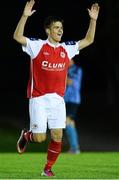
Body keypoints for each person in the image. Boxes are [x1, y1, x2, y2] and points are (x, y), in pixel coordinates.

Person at [13, 0, 100, 177]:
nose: (60, 30)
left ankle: (47, 169)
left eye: (61, 27)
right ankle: (27, 135)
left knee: (58, 136)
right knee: (39, 138)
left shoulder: (67, 48)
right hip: (38, 97)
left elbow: (89, 39)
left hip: (57, 100)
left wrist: (93, 20)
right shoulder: (37, 45)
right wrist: (24, 16)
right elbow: (17, 37)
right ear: (48, 30)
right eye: (56, 27)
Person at [64, 60, 83, 154]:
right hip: (65, 100)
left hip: (73, 99)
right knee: (70, 123)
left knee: (67, 122)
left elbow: (70, 82)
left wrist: (58, 75)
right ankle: (74, 147)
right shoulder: (65, 68)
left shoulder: (76, 69)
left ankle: (75, 147)